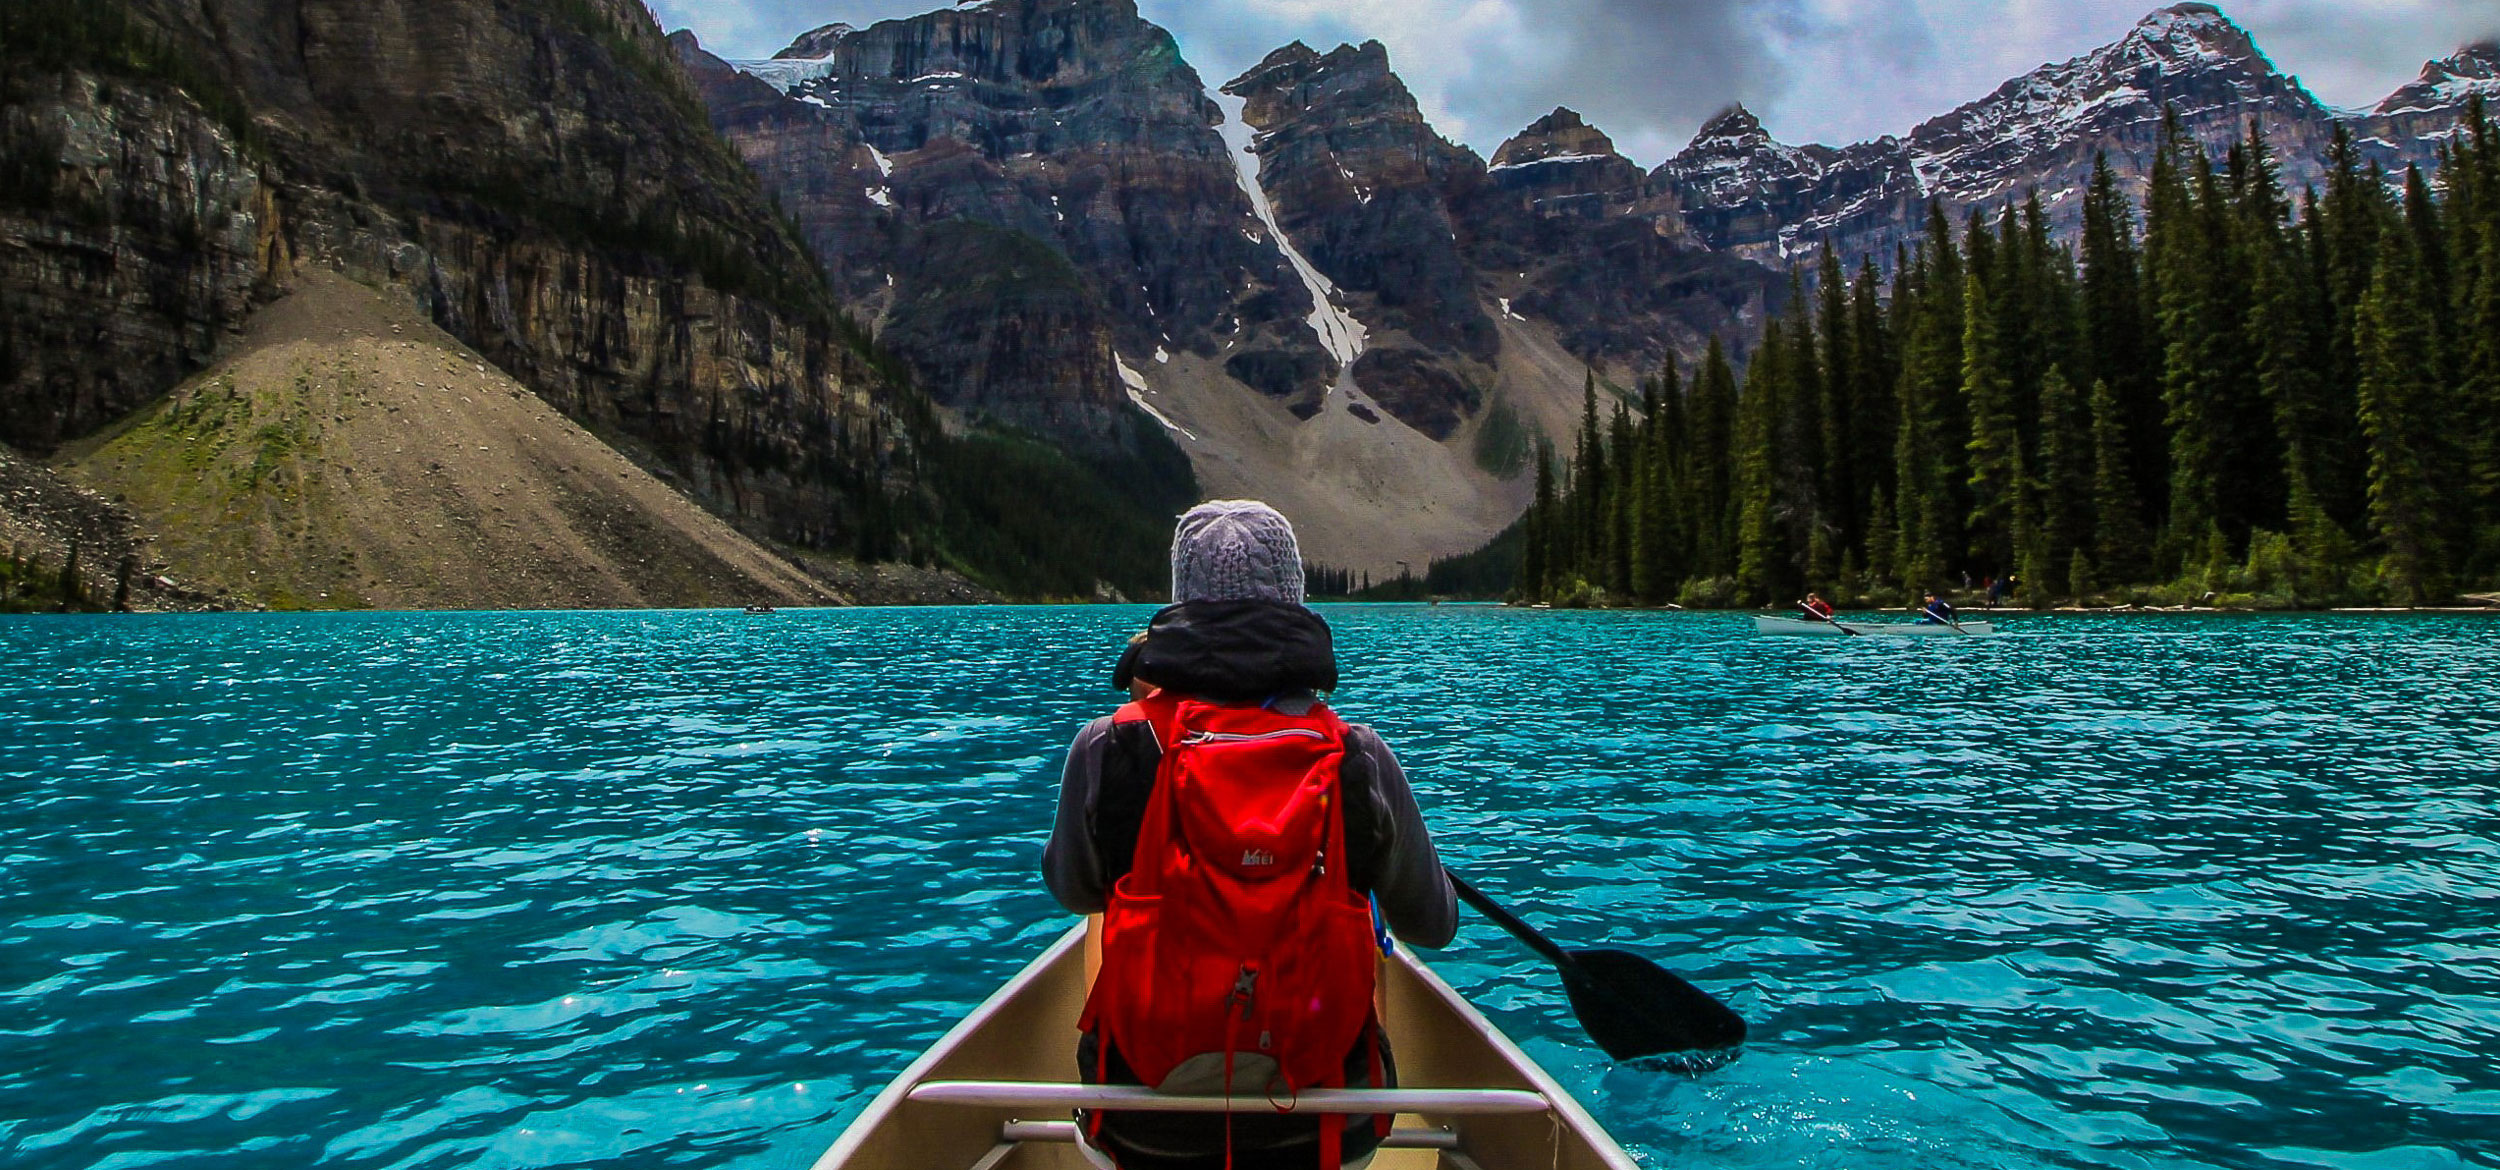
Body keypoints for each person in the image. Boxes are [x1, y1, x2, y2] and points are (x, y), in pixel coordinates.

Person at [1045, 500, 1457, 1170]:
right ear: (1293, 599)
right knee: (1365, 920)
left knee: (1106, 910)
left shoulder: (1107, 745)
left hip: (1146, 1132)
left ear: (1181, 603)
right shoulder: (1355, 755)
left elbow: (1072, 890)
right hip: (1324, 1134)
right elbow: (1434, 925)